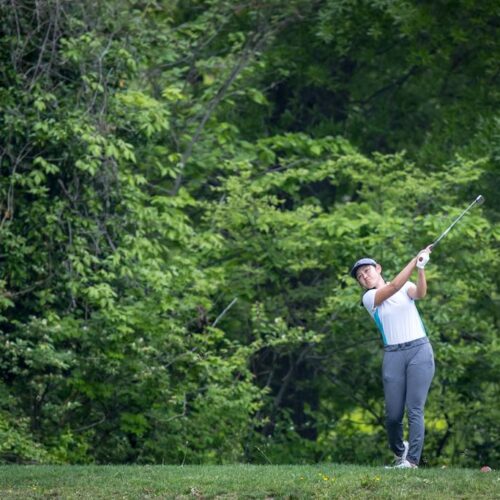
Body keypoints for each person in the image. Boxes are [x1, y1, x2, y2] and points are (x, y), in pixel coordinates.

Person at [350, 247, 435, 469]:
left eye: (367, 271)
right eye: (360, 277)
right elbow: (393, 286)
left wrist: (421, 268)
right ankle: (400, 452)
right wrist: (413, 259)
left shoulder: (406, 286)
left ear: (378, 269)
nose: (364, 277)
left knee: (415, 409)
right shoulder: (370, 298)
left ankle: (412, 461)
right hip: (393, 355)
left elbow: (420, 294)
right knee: (393, 415)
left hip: (419, 350)